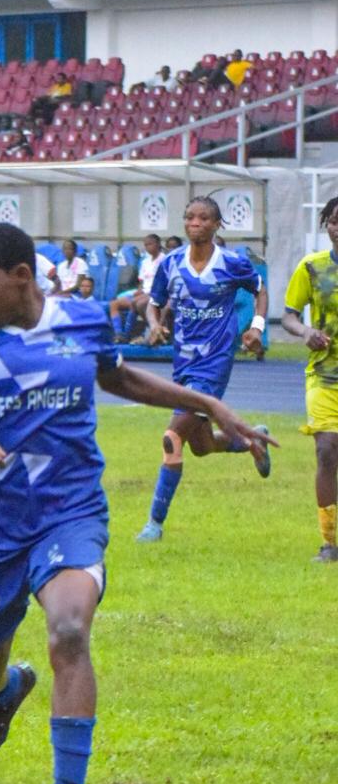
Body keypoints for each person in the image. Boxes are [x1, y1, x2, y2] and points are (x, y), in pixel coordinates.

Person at [0, 222, 272, 784]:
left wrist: (210, 406)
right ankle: (6, 692)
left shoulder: (81, 319)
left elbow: (122, 379)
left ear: (22, 276)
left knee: (70, 630)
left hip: (70, 511)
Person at [136, 198, 271, 543]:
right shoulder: (171, 263)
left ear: (216, 225)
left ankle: (153, 524)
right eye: (190, 216)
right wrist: (154, 324)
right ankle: (250, 440)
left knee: (172, 438)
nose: (195, 222)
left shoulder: (232, 263)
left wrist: (256, 326)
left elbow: (260, 290)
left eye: (204, 217)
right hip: (183, 362)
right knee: (202, 445)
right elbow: (154, 304)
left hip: (214, 363)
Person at [280, 196, 338, 562]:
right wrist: (305, 333)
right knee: (327, 450)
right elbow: (288, 315)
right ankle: (329, 542)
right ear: (327, 225)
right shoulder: (311, 268)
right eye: (334, 221)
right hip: (324, 373)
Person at [108, 233, 164, 342]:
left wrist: (146, 293)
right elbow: (141, 282)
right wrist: (139, 291)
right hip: (143, 293)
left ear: (158, 244)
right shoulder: (145, 262)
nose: (148, 247)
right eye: (146, 245)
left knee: (136, 303)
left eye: (150, 244)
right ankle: (118, 333)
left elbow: (163, 284)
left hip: (156, 295)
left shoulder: (164, 260)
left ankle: (128, 335)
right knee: (113, 304)